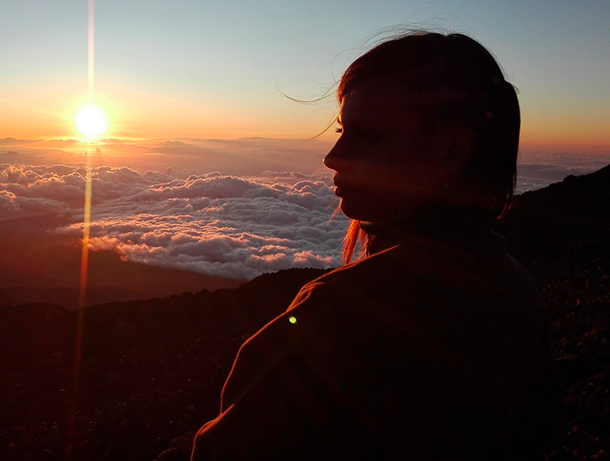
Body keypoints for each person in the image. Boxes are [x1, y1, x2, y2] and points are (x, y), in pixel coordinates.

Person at [191, 32, 559, 460]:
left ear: (451, 152)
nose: (332, 156)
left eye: (365, 135)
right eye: (343, 129)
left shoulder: (344, 310)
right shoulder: (514, 289)